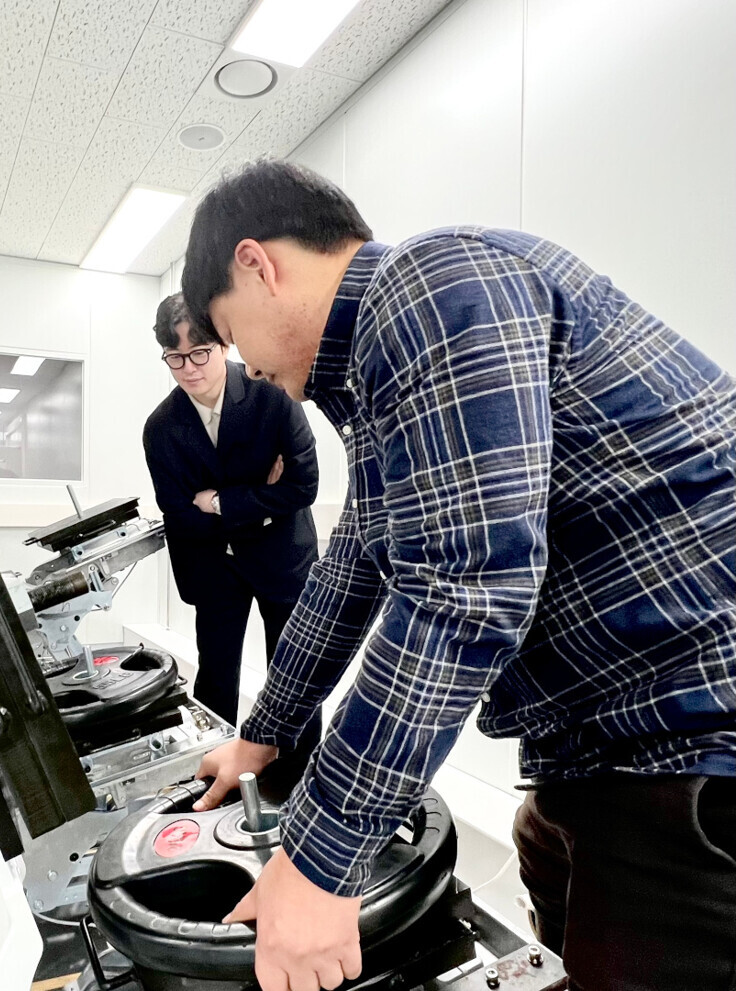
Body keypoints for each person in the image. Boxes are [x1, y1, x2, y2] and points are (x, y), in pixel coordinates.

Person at [183, 159, 736, 991]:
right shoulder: (381, 377)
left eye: (229, 331)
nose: (244, 365)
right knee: (543, 850)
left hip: (695, 730)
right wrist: (263, 734)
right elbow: (353, 568)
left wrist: (321, 857)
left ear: (258, 266)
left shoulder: (433, 284)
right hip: (601, 740)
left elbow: (464, 589)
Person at [143, 292, 321, 730]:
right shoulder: (161, 428)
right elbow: (179, 516)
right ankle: (214, 762)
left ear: (224, 344)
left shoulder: (272, 393)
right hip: (214, 567)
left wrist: (218, 502)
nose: (189, 368)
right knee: (215, 679)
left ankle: (296, 766)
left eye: (200, 352)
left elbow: (304, 485)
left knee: (294, 678)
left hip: (283, 558)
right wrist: (263, 498)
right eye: (175, 358)